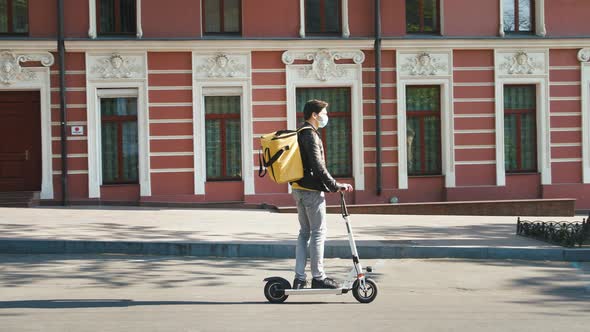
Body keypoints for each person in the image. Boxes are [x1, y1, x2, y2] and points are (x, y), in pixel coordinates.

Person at [290, 99, 354, 290]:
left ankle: (299, 279)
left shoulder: (299, 132)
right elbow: (318, 166)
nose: (327, 116)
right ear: (315, 115)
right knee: (318, 233)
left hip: (298, 189)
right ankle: (318, 277)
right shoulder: (310, 134)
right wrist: (335, 186)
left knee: (304, 233)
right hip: (311, 192)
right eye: (324, 113)